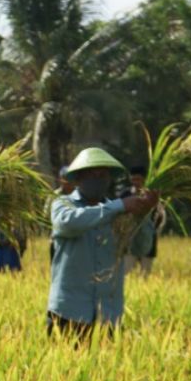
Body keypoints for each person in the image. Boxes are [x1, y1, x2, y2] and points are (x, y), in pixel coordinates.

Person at [47, 147, 159, 343]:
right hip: (68, 311)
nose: (98, 179)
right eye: (92, 174)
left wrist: (143, 215)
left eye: (102, 175)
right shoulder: (63, 204)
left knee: (104, 372)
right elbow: (68, 223)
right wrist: (119, 206)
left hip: (107, 314)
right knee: (64, 371)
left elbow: (141, 248)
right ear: (79, 178)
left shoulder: (121, 214)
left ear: (109, 179)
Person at [121, 164, 166, 276]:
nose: (136, 182)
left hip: (149, 242)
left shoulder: (153, 196)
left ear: (145, 179)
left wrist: (151, 230)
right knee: (127, 274)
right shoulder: (125, 195)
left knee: (145, 275)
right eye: (133, 179)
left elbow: (160, 217)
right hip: (128, 243)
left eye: (139, 179)